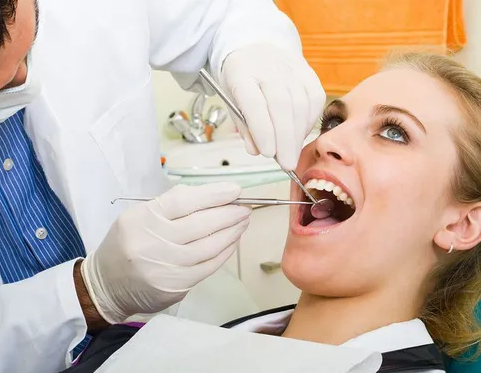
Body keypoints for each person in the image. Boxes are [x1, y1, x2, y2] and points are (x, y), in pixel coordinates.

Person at [0, 0, 326, 372]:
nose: (27, 80)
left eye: (29, 48)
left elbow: (217, 8)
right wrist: (88, 294)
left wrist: (251, 48)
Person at [65, 51, 481, 373]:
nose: (324, 142)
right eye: (333, 121)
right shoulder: (151, 341)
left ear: (462, 224)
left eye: (394, 132)